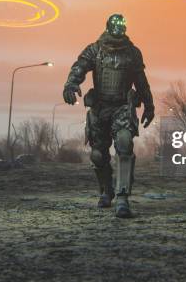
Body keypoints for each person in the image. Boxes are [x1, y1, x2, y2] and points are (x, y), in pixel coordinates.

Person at [63, 14, 154, 218]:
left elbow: (141, 81)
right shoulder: (95, 49)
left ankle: (122, 198)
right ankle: (106, 190)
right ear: (109, 26)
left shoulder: (132, 53)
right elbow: (79, 67)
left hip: (122, 107)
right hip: (100, 107)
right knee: (97, 155)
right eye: (116, 25)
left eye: (123, 24)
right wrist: (71, 83)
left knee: (123, 144)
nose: (119, 28)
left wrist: (149, 105)